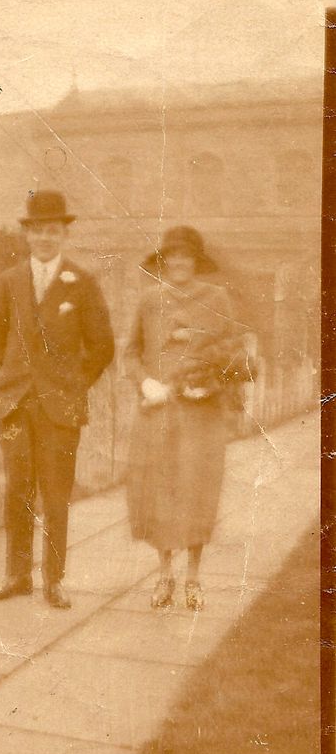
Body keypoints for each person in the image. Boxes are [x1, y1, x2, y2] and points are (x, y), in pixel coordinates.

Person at [0, 190, 115, 609]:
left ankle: (53, 580)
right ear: (27, 234)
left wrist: (72, 384)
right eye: (37, 231)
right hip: (16, 404)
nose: (44, 238)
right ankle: (17, 576)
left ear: (64, 235)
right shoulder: (9, 280)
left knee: (56, 493)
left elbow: (102, 346)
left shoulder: (83, 281)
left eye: (53, 231)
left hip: (61, 406)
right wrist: (22, 378)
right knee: (17, 490)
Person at [125, 226, 250, 611]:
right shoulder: (148, 300)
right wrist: (145, 382)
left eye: (186, 256)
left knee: (197, 491)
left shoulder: (217, 298)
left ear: (196, 261)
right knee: (160, 490)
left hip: (201, 414)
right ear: (164, 262)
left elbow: (234, 353)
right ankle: (164, 575)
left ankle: (193, 577)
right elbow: (130, 352)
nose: (178, 262)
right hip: (159, 410)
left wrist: (212, 383)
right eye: (172, 256)